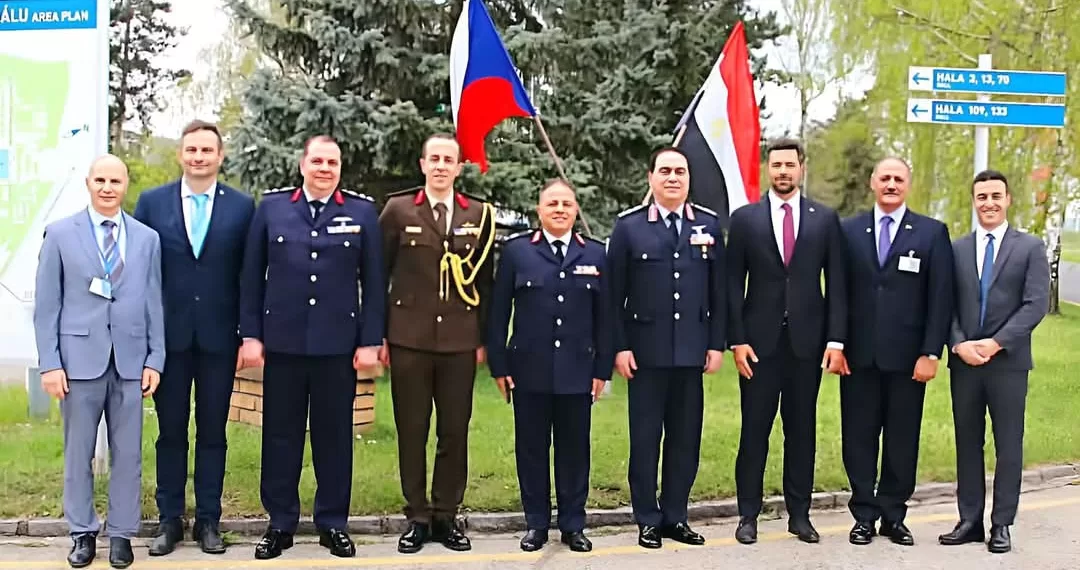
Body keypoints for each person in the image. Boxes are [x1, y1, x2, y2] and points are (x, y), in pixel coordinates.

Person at [237, 135, 385, 560]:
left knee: (334, 437)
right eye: (317, 160)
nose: (324, 168)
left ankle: (332, 523)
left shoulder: (360, 212)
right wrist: (251, 335)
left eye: (332, 162)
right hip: (282, 346)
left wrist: (371, 341)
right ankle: (280, 523)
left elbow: (374, 284)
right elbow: (251, 277)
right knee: (280, 436)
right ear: (302, 165)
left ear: (340, 168)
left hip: (337, 347)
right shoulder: (273, 209)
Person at [32, 154, 165, 569]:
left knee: (129, 453)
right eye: (100, 180)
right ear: (88, 183)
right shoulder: (59, 234)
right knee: (78, 452)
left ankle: (122, 534)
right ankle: (83, 532)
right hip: (78, 363)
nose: (108, 188)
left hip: (129, 361)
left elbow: (153, 302)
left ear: (127, 186)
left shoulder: (146, 239)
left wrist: (155, 358)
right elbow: (47, 306)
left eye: (116, 181)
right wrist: (50, 363)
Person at [133, 120, 255, 556]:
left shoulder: (242, 208)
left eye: (207, 150)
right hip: (168, 340)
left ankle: (208, 520)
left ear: (220, 156)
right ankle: (169, 520)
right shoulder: (151, 203)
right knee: (170, 433)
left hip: (221, 340)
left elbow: (250, 275)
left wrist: (249, 334)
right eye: (192, 150)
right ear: (181, 155)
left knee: (212, 432)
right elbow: (140, 275)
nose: (199, 157)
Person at [378, 133, 497, 554]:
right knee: (412, 430)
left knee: (453, 431)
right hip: (408, 338)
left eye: (450, 160)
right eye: (435, 159)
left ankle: (446, 515)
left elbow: (485, 283)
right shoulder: (398, 210)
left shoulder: (478, 214)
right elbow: (379, 276)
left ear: (459, 167)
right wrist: (379, 336)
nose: (442, 166)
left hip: (459, 341)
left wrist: (482, 339)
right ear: (423, 164)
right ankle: (417, 516)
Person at [727, 138, 847, 545]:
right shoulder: (745, 220)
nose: (783, 172)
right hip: (758, 346)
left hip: (806, 345)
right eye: (776, 165)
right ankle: (748, 514)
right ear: (768, 169)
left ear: (801, 168)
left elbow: (838, 284)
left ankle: (800, 514)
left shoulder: (824, 219)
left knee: (802, 431)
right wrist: (736, 341)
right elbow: (731, 285)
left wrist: (836, 340)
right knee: (754, 431)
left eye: (789, 165)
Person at [606, 147, 725, 550]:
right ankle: (648, 519)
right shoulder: (629, 228)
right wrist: (619, 348)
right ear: (651, 177)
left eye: (680, 171)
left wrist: (715, 344)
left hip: (691, 353)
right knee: (645, 440)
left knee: (685, 439)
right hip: (645, 354)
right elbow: (612, 297)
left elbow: (718, 293)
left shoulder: (707, 225)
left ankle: (676, 515)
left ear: (688, 179)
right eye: (665, 171)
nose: (673, 177)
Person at [486, 179, 612, 553]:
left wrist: (601, 370)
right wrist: (499, 365)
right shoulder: (517, 252)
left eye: (567, 204)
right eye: (552, 203)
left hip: (578, 370)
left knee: (575, 451)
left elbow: (606, 320)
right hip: (529, 370)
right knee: (532, 449)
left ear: (575, 211)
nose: (559, 209)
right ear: (539, 210)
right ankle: (536, 524)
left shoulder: (595, 254)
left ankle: (573, 524)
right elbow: (498, 314)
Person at [838, 157, 954, 546]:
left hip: (908, 360)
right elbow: (838, 292)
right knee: (858, 437)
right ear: (873, 182)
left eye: (898, 178)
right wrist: (836, 344)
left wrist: (930, 353)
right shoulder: (849, 230)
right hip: (858, 356)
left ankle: (893, 515)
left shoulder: (931, 232)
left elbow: (940, 298)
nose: (890, 184)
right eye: (884, 177)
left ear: (908, 184)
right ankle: (863, 515)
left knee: (902, 439)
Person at [939, 169, 1050, 554]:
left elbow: (1036, 304)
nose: (988, 202)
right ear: (974, 200)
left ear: (1008, 200)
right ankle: (969, 520)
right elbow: (945, 306)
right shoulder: (956, 249)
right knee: (968, 443)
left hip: (1008, 363)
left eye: (995, 196)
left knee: (1008, 445)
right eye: (982, 196)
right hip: (965, 363)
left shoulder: (1030, 248)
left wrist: (997, 342)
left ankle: (1001, 523)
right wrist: (958, 345)